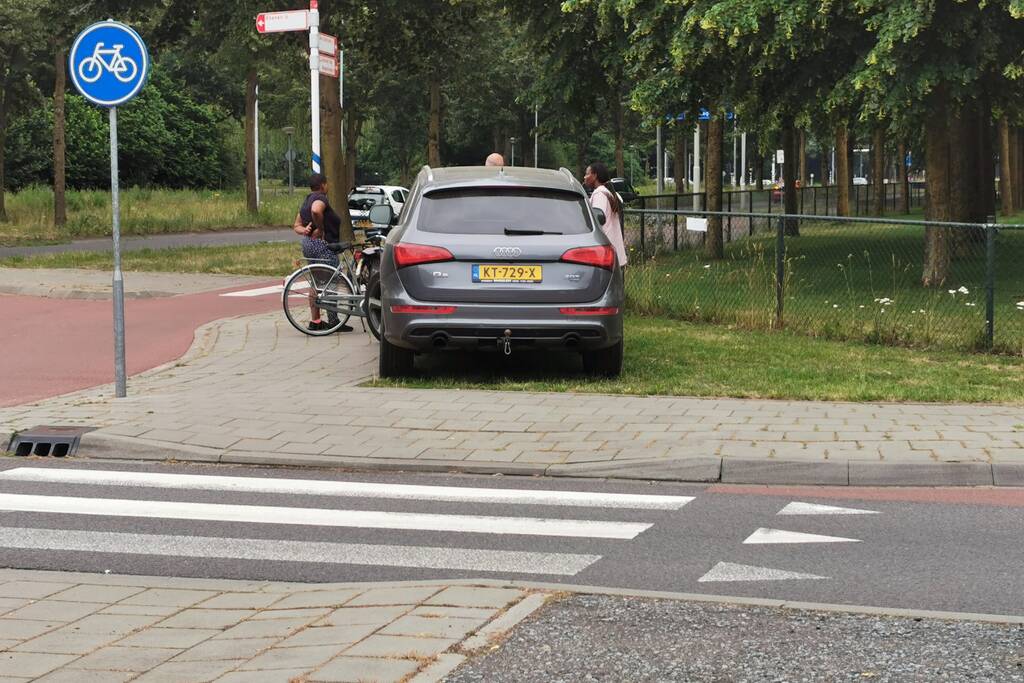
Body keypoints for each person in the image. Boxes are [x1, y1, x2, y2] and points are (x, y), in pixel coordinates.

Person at [292, 173, 352, 332]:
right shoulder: (321, 198)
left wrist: (305, 230)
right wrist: (321, 228)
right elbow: (317, 211)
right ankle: (334, 321)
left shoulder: (306, 200)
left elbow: (296, 225)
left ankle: (316, 321)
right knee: (331, 281)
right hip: (322, 245)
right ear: (323, 185)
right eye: (327, 184)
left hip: (308, 244)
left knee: (316, 282)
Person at [583, 161, 627, 269]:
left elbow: (598, 220)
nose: (584, 177)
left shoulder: (599, 194)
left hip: (605, 252)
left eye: (587, 174)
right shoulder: (609, 192)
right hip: (614, 250)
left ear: (595, 175)